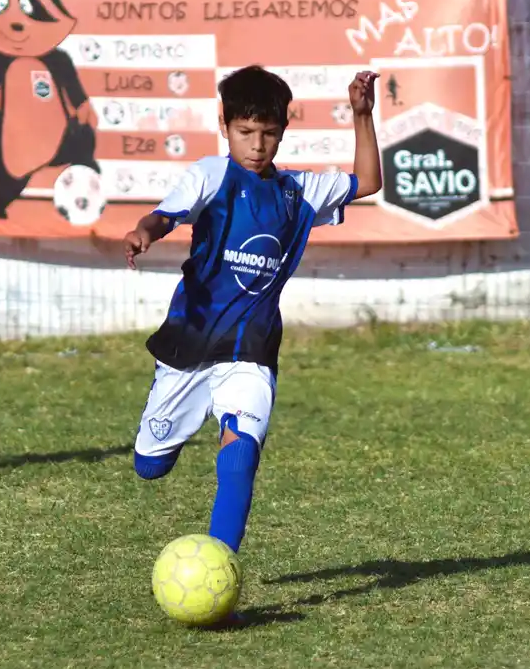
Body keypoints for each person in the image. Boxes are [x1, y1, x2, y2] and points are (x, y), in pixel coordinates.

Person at [123, 65, 383, 555]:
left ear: (283, 131)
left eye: (269, 134)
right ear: (225, 126)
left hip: (251, 350)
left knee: (241, 456)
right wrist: (144, 232)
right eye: (246, 133)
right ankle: (173, 427)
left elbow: (367, 181)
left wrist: (362, 114)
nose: (258, 145)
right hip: (189, 344)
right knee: (149, 466)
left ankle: (221, 568)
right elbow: (163, 215)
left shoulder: (297, 192)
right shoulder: (211, 175)